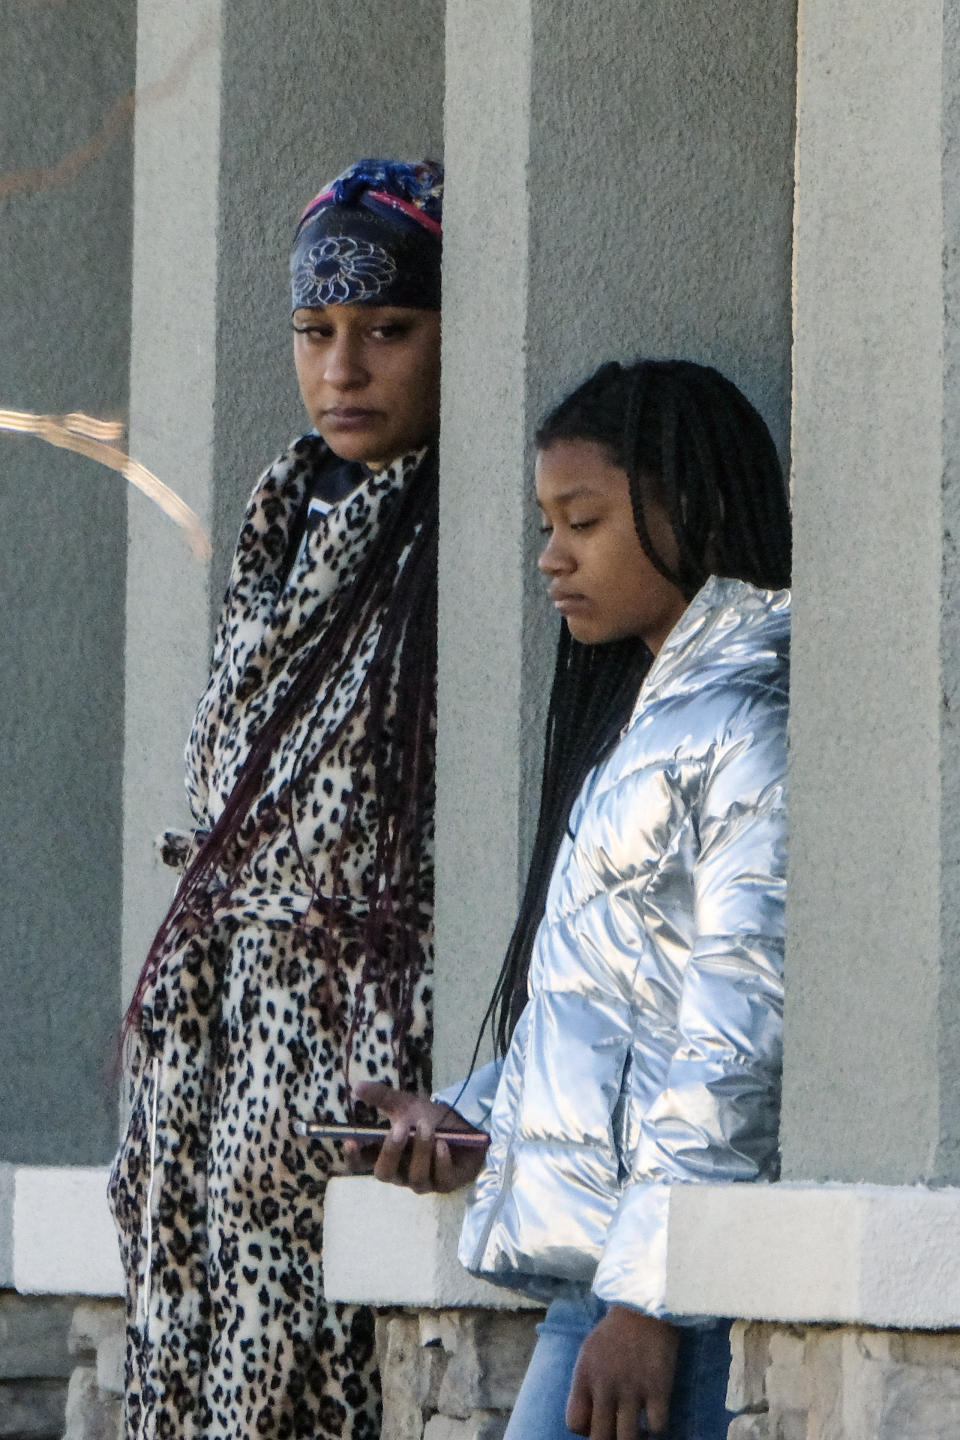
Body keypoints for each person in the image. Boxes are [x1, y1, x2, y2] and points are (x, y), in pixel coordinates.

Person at [356, 357, 791, 1440]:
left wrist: (650, 1297)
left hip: (662, 1305)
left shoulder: (749, 735)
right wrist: (475, 1118)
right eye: (545, 523)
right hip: (599, 1284)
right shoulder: (644, 735)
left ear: (686, 509)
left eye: (582, 522)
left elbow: (738, 1033)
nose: (551, 558)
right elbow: (616, 1022)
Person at [108, 158, 444, 1440]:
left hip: (343, 1059)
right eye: (316, 334)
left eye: (387, 332)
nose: (344, 370)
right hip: (210, 1052)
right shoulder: (282, 514)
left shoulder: (452, 536)